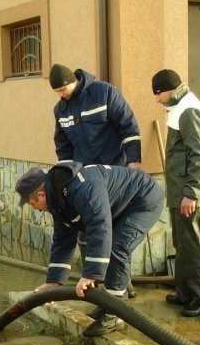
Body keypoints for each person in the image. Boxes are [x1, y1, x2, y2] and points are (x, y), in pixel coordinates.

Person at [15, 162, 164, 337]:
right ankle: (108, 304)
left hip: (143, 199)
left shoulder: (82, 188)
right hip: (121, 205)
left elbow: (99, 226)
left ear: (41, 195)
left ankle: (114, 313)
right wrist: (54, 281)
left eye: (32, 204)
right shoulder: (58, 199)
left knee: (118, 247)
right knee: (110, 246)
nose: (35, 209)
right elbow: (63, 241)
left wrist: (90, 274)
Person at [49, 63, 142, 303]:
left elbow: (129, 126)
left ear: (73, 81)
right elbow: (63, 147)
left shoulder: (104, 93)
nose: (61, 95)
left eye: (63, 89)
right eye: (57, 92)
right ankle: (95, 284)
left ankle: (121, 284)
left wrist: (133, 162)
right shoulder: (61, 111)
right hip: (85, 179)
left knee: (113, 233)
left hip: (113, 175)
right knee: (87, 234)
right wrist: (65, 177)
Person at [151, 69, 200, 317]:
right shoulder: (180, 107)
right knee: (182, 244)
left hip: (192, 195)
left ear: (168, 90)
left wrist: (191, 193)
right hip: (182, 192)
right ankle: (185, 293)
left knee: (193, 246)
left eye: (158, 94)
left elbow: (199, 155)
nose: (157, 100)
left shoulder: (189, 110)